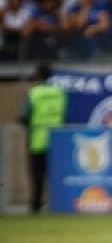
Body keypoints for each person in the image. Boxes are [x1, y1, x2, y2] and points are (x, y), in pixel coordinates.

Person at [17, 63, 67, 213]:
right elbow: (65, 116)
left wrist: (32, 126)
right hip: (56, 141)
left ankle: (36, 206)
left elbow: (22, 116)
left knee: (37, 176)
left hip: (37, 140)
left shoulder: (34, 93)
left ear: (37, 75)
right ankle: (58, 204)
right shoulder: (60, 93)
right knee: (55, 175)